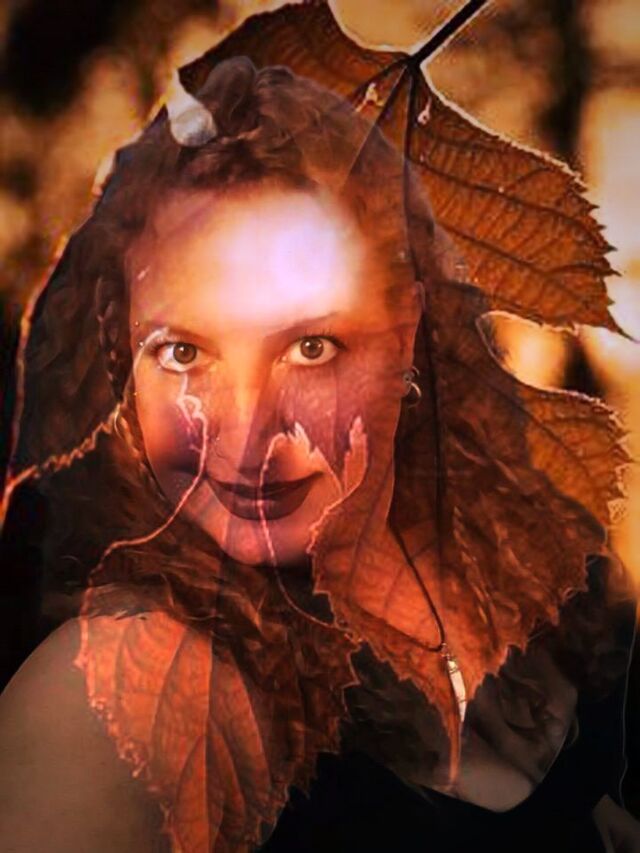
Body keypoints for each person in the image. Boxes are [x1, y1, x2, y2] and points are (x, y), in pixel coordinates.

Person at [0, 56, 637, 852]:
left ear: (408, 341)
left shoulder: (523, 624)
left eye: (310, 347)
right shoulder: (111, 702)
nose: (245, 433)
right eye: (184, 352)